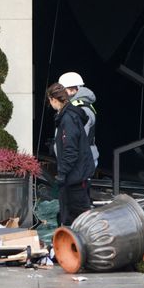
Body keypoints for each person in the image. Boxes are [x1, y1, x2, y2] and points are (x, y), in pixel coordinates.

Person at [47, 82, 94, 226]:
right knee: (73, 214)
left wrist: (62, 173)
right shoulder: (70, 115)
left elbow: (71, 150)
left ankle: (80, 244)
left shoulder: (68, 118)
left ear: (54, 99)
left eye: (50, 101)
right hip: (76, 175)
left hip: (74, 176)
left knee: (78, 215)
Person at [58, 71, 99, 168]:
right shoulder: (75, 106)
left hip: (81, 161)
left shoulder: (81, 109)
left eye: (63, 90)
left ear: (73, 90)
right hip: (79, 159)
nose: (60, 94)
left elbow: (78, 139)